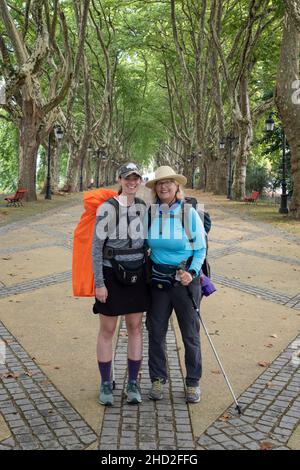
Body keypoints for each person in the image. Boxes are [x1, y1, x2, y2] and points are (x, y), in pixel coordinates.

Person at [145, 166, 206, 403]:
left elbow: (200, 248)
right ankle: (157, 379)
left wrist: (192, 272)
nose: (164, 187)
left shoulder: (188, 212)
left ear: (176, 186)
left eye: (168, 182)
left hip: (185, 282)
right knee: (156, 332)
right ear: (155, 189)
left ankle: (192, 382)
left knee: (190, 334)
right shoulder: (151, 213)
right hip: (158, 283)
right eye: (160, 183)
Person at [92, 162, 150, 406]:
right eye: (127, 178)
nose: (132, 182)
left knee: (135, 328)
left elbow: (149, 240)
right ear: (119, 179)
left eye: (135, 178)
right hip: (111, 275)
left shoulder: (143, 207)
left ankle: (133, 383)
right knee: (108, 330)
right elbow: (96, 248)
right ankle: (106, 383)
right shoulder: (107, 208)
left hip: (137, 276)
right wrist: (99, 283)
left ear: (140, 181)